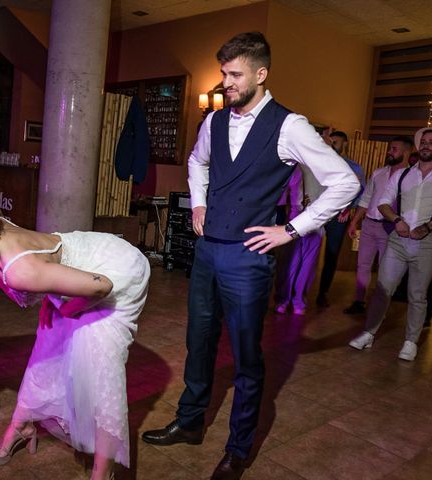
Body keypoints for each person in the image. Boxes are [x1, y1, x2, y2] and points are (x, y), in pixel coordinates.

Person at [140, 32, 359, 480]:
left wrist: (292, 229)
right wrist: (198, 202)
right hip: (207, 252)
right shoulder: (214, 122)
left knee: (245, 356)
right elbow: (198, 162)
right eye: (223, 73)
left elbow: (345, 183)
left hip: (248, 258)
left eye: (234, 74)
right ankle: (189, 422)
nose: (225, 83)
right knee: (198, 344)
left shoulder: (290, 125)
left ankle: (238, 449)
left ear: (261, 74)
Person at [0, 169, 150, 480]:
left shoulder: (20, 270)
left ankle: (103, 474)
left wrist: (68, 309)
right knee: (47, 351)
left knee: (99, 371)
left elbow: (102, 286)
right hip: (76, 269)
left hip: (114, 269)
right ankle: (22, 427)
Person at [349, 129, 432, 361]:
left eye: (431, 143)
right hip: (398, 240)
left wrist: (428, 227)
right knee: (383, 290)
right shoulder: (403, 175)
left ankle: (410, 341)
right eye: (423, 142)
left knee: (417, 294)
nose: (427, 146)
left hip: (427, 243)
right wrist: (396, 219)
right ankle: (368, 333)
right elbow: (384, 203)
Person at [343, 136, 412, 314]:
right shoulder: (378, 173)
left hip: (390, 228)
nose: (390, 151)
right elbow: (366, 199)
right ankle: (359, 301)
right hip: (368, 225)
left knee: (385, 268)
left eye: (394, 149)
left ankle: (380, 306)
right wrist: (354, 221)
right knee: (363, 265)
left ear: (406, 152)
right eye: (390, 148)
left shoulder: (411, 177)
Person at [315, 130, 366, 307]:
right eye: (330, 141)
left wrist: (349, 208)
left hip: (339, 217)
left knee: (331, 254)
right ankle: (299, 291)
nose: (332, 144)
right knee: (308, 252)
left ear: (344, 144)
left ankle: (323, 292)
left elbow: (361, 193)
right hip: (318, 212)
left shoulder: (355, 167)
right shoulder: (322, 162)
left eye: (335, 142)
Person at [274, 165, 325, 315]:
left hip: (316, 223)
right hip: (293, 220)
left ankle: (299, 300)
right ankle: (284, 299)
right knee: (290, 261)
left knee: (307, 265)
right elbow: (294, 196)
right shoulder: (296, 166)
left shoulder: (327, 169)